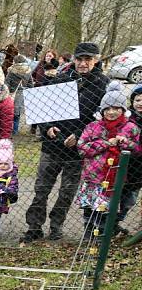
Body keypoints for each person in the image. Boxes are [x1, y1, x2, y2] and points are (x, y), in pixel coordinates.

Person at [22, 42, 110, 243]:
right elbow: (42, 109)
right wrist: (47, 127)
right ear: (74, 59)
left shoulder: (103, 85)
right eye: (79, 59)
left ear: (95, 60)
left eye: (87, 59)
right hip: (52, 145)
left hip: (78, 150)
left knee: (66, 192)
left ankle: (56, 226)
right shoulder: (60, 79)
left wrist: (80, 136)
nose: (83, 63)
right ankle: (34, 226)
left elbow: (102, 119)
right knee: (41, 189)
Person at [75, 81, 141, 237]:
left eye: (116, 108)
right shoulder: (93, 126)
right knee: (90, 209)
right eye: (108, 109)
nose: (112, 112)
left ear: (123, 110)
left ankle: (103, 235)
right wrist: (105, 143)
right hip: (93, 177)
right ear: (102, 110)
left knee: (106, 210)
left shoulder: (130, 128)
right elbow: (82, 147)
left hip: (114, 179)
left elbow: (138, 149)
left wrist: (127, 143)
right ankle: (89, 233)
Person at [118, 85, 142, 231]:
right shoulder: (126, 119)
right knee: (118, 197)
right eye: (137, 100)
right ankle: (109, 224)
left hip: (140, 169)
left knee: (130, 200)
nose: (140, 103)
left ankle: (115, 222)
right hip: (125, 166)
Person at [6, 55, 33, 135]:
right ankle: (15, 130)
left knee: (9, 112)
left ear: (15, 61)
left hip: (12, 93)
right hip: (22, 94)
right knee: (17, 113)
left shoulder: (12, 70)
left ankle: (8, 129)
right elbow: (30, 84)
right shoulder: (28, 70)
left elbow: (7, 82)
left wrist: (7, 90)